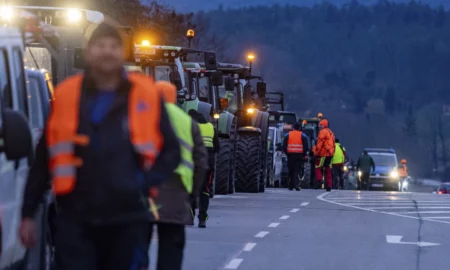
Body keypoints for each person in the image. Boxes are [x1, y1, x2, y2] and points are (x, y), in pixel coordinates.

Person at [19, 22, 181, 270]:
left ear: (122, 52)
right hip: (76, 217)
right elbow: (44, 159)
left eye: (114, 46)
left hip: (127, 219)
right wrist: (28, 213)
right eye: (100, 45)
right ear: (88, 51)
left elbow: (171, 151)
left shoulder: (145, 95)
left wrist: (143, 183)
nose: (107, 51)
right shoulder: (66, 95)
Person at [151, 81, 208, 270]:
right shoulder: (187, 122)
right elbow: (200, 162)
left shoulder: (140, 116)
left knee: (137, 245)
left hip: (143, 189)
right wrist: (192, 193)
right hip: (176, 189)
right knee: (171, 246)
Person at [188, 110, 220, 228]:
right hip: (208, 163)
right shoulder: (211, 127)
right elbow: (217, 147)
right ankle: (202, 219)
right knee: (205, 190)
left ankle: (190, 217)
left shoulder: (190, 126)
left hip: (193, 162)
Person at [283, 122, 310, 191]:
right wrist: (303, 154)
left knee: (291, 170)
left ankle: (290, 185)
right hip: (299, 156)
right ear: (300, 128)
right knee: (297, 171)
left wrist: (287, 153)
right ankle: (297, 185)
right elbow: (306, 147)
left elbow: (284, 146)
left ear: (293, 128)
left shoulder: (288, 134)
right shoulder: (303, 135)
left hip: (290, 155)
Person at [313, 119, 335, 191]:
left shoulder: (322, 132)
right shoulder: (331, 132)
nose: (319, 126)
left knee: (317, 166)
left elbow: (320, 144)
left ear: (324, 125)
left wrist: (316, 153)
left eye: (321, 124)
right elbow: (333, 144)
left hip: (323, 153)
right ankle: (329, 185)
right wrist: (332, 152)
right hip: (330, 154)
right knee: (328, 169)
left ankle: (319, 180)